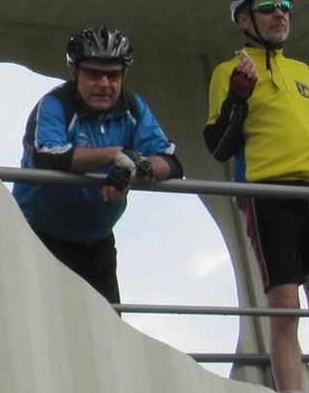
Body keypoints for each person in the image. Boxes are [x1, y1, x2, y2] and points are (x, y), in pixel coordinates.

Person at [204, 0, 309, 393]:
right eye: (268, 8)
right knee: (286, 308)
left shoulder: (302, 71)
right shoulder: (229, 71)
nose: (280, 15)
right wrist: (238, 96)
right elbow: (219, 145)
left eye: (285, 7)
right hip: (270, 194)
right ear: (244, 19)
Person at [12, 26, 183, 305]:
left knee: (108, 326)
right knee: (40, 321)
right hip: (38, 236)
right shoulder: (55, 104)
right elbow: (47, 156)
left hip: (96, 243)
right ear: (74, 71)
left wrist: (136, 168)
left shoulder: (133, 107)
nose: (104, 84)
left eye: (113, 75)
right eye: (93, 73)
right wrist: (115, 154)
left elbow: (171, 162)